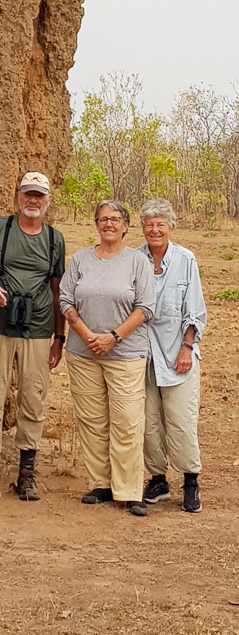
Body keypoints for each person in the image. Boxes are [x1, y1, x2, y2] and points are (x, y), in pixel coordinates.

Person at [0, 172, 67, 502]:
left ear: (48, 200)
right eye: (28, 194)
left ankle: (26, 472)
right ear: (18, 196)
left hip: (37, 329)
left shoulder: (54, 239)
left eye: (39, 195)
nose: (33, 200)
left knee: (33, 398)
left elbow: (57, 290)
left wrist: (59, 337)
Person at [59, 200, 156, 517]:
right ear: (96, 224)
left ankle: (129, 491)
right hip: (82, 351)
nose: (109, 224)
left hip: (125, 353)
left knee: (127, 422)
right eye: (103, 219)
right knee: (93, 421)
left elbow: (145, 307)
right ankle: (101, 483)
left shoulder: (137, 262)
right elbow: (65, 299)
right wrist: (86, 333)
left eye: (115, 219)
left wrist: (113, 336)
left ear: (126, 226)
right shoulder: (81, 259)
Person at [138, 198, 206, 513]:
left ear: (171, 227)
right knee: (149, 421)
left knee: (180, 419)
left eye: (160, 224)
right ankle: (158, 480)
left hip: (178, 351)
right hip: (142, 352)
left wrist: (186, 347)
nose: (155, 230)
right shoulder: (134, 258)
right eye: (149, 224)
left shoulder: (185, 259)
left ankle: (191, 481)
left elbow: (194, 309)